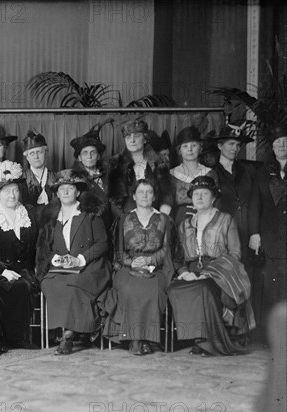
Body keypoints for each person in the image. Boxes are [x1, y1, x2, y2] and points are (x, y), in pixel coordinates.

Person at [168, 176, 255, 356]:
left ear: (213, 197)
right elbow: (178, 257)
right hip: (193, 271)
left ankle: (208, 343)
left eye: (204, 193)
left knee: (204, 288)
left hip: (220, 271)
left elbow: (235, 253)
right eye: (196, 194)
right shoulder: (185, 225)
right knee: (176, 288)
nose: (199, 197)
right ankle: (196, 338)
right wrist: (184, 273)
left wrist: (211, 272)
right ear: (191, 199)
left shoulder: (225, 220)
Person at [36, 169, 111, 355]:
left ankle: (68, 334)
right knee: (49, 283)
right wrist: (58, 259)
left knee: (74, 284)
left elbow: (103, 243)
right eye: (62, 189)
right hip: (61, 267)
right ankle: (76, 329)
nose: (66, 192)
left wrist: (80, 259)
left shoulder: (90, 213)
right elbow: (48, 247)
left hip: (91, 266)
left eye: (70, 188)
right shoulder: (51, 217)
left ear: (78, 192)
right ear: (57, 192)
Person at [104, 179, 176, 355]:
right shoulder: (123, 219)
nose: (145, 195)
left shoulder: (164, 220)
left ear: (154, 196)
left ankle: (142, 339)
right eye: (141, 192)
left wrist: (149, 260)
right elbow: (117, 251)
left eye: (149, 192)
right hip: (127, 267)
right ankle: (137, 339)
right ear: (134, 196)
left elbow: (167, 250)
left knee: (153, 288)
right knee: (129, 287)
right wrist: (131, 262)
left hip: (157, 267)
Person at [0, 160, 38, 357]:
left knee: (23, 286)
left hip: (23, 268)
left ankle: (16, 337)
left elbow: (39, 245)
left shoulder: (30, 212)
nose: (12, 195)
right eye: (6, 191)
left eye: (15, 190)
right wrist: (2, 270)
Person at [248, 123, 287, 339]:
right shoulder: (263, 172)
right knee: (271, 286)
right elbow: (254, 204)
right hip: (270, 239)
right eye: (277, 142)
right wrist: (254, 233)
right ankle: (270, 335)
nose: (282, 145)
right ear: (272, 147)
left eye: (285, 142)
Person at [211, 122, 256, 264]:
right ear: (220, 146)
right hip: (223, 234)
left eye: (238, 145)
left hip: (247, 233)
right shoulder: (211, 172)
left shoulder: (248, 170)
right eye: (231, 144)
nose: (235, 149)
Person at [108, 119, 172, 219]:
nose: (132, 140)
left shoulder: (158, 162)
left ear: (145, 139)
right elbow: (115, 199)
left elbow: (166, 192)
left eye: (137, 136)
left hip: (154, 216)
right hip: (125, 217)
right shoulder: (116, 164)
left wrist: (163, 211)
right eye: (128, 137)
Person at [70, 122, 113, 230]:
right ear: (79, 157)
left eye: (93, 152)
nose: (89, 156)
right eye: (85, 153)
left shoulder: (109, 175)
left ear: (98, 156)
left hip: (112, 227)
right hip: (89, 229)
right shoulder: (74, 180)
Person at [170, 126, 217, 224]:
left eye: (194, 145)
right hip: (179, 222)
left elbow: (216, 201)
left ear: (200, 147)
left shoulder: (210, 174)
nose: (190, 150)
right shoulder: (172, 175)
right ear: (179, 150)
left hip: (206, 221)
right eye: (185, 146)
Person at [21, 129, 55, 209]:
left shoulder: (55, 177)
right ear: (27, 157)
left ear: (45, 153)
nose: (36, 157)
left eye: (39, 152)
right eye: (32, 153)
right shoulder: (22, 178)